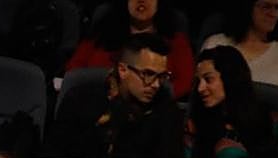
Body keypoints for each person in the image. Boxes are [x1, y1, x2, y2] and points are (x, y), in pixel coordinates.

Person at [47, 32, 184, 158]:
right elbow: (53, 156)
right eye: (148, 74)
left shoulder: (167, 111)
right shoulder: (80, 99)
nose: (155, 85)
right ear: (123, 70)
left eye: (161, 76)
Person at [65, 0, 194, 99]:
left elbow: (185, 82)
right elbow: (74, 73)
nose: (141, 1)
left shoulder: (176, 42)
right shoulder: (100, 37)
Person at [201, 0, 278, 102]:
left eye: (277, 7)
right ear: (247, 7)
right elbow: (199, 93)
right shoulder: (215, 44)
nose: (273, 14)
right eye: (266, 6)